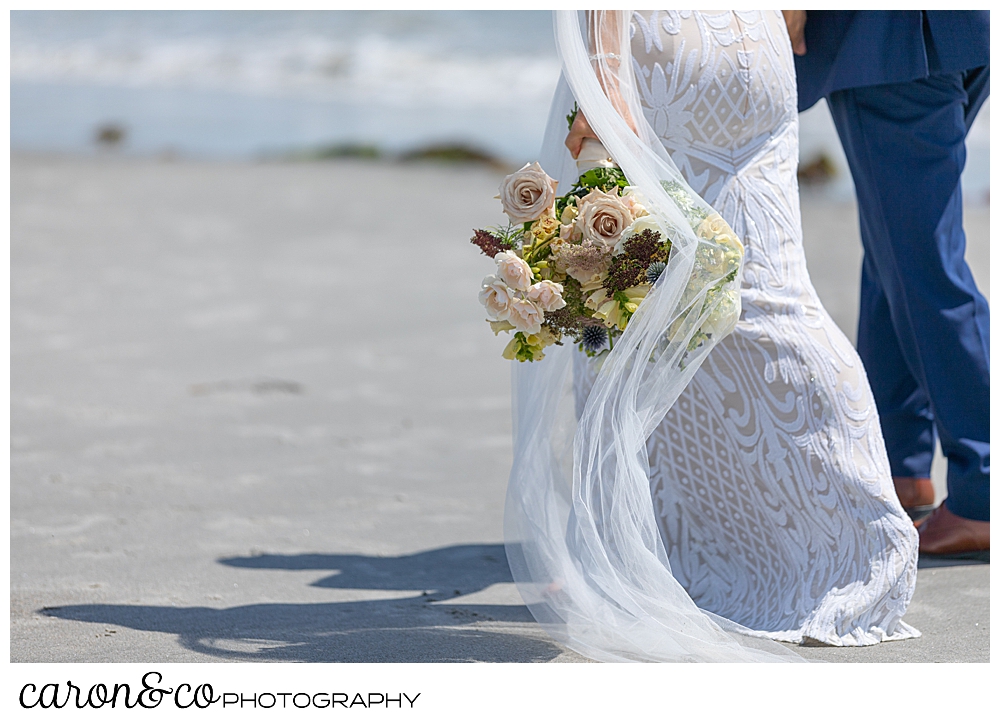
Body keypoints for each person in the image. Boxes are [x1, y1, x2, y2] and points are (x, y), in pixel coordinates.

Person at [503, 10, 918, 663]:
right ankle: (861, 550)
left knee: (634, 302)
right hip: (756, 40)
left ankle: (633, 547)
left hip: (662, 46)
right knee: (777, 301)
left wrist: (606, 72)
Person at [787, 11, 989, 560]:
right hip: (955, 29)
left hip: (885, 40)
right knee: (896, 255)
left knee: (921, 266)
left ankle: (985, 489)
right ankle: (901, 464)